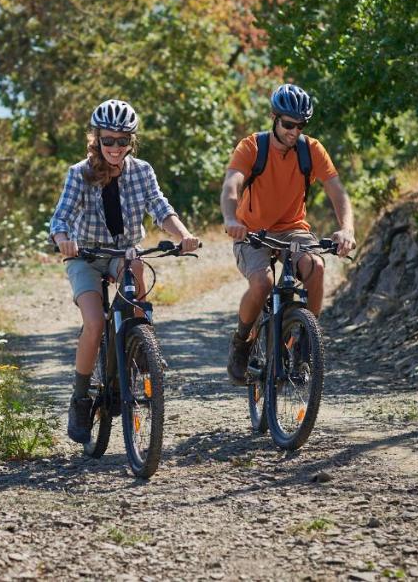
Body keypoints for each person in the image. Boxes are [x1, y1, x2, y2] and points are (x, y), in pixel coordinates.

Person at [50, 99, 200, 444]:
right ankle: (80, 398)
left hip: (123, 251)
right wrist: (63, 239)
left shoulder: (142, 171)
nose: (115, 148)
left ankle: (142, 344)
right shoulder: (79, 173)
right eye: (108, 140)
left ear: (131, 141)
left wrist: (183, 235)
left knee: (135, 268)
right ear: (96, 140)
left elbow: (160, 208)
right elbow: (61, 217)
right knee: (95, 321)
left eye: (122, 141)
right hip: (85, 255)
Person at [219, 84, 356, 385]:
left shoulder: (311, 150)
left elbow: (338, 191)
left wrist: (347, 228)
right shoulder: (253, 147)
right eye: (288, 124)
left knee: (316, 267)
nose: (294, 131)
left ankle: (307, 344)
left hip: (294, 229)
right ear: (274, 117)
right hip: (252, 230)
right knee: (262, 282)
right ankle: (241, 342)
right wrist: (231, 218)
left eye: (301, 125)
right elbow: (232, 186)